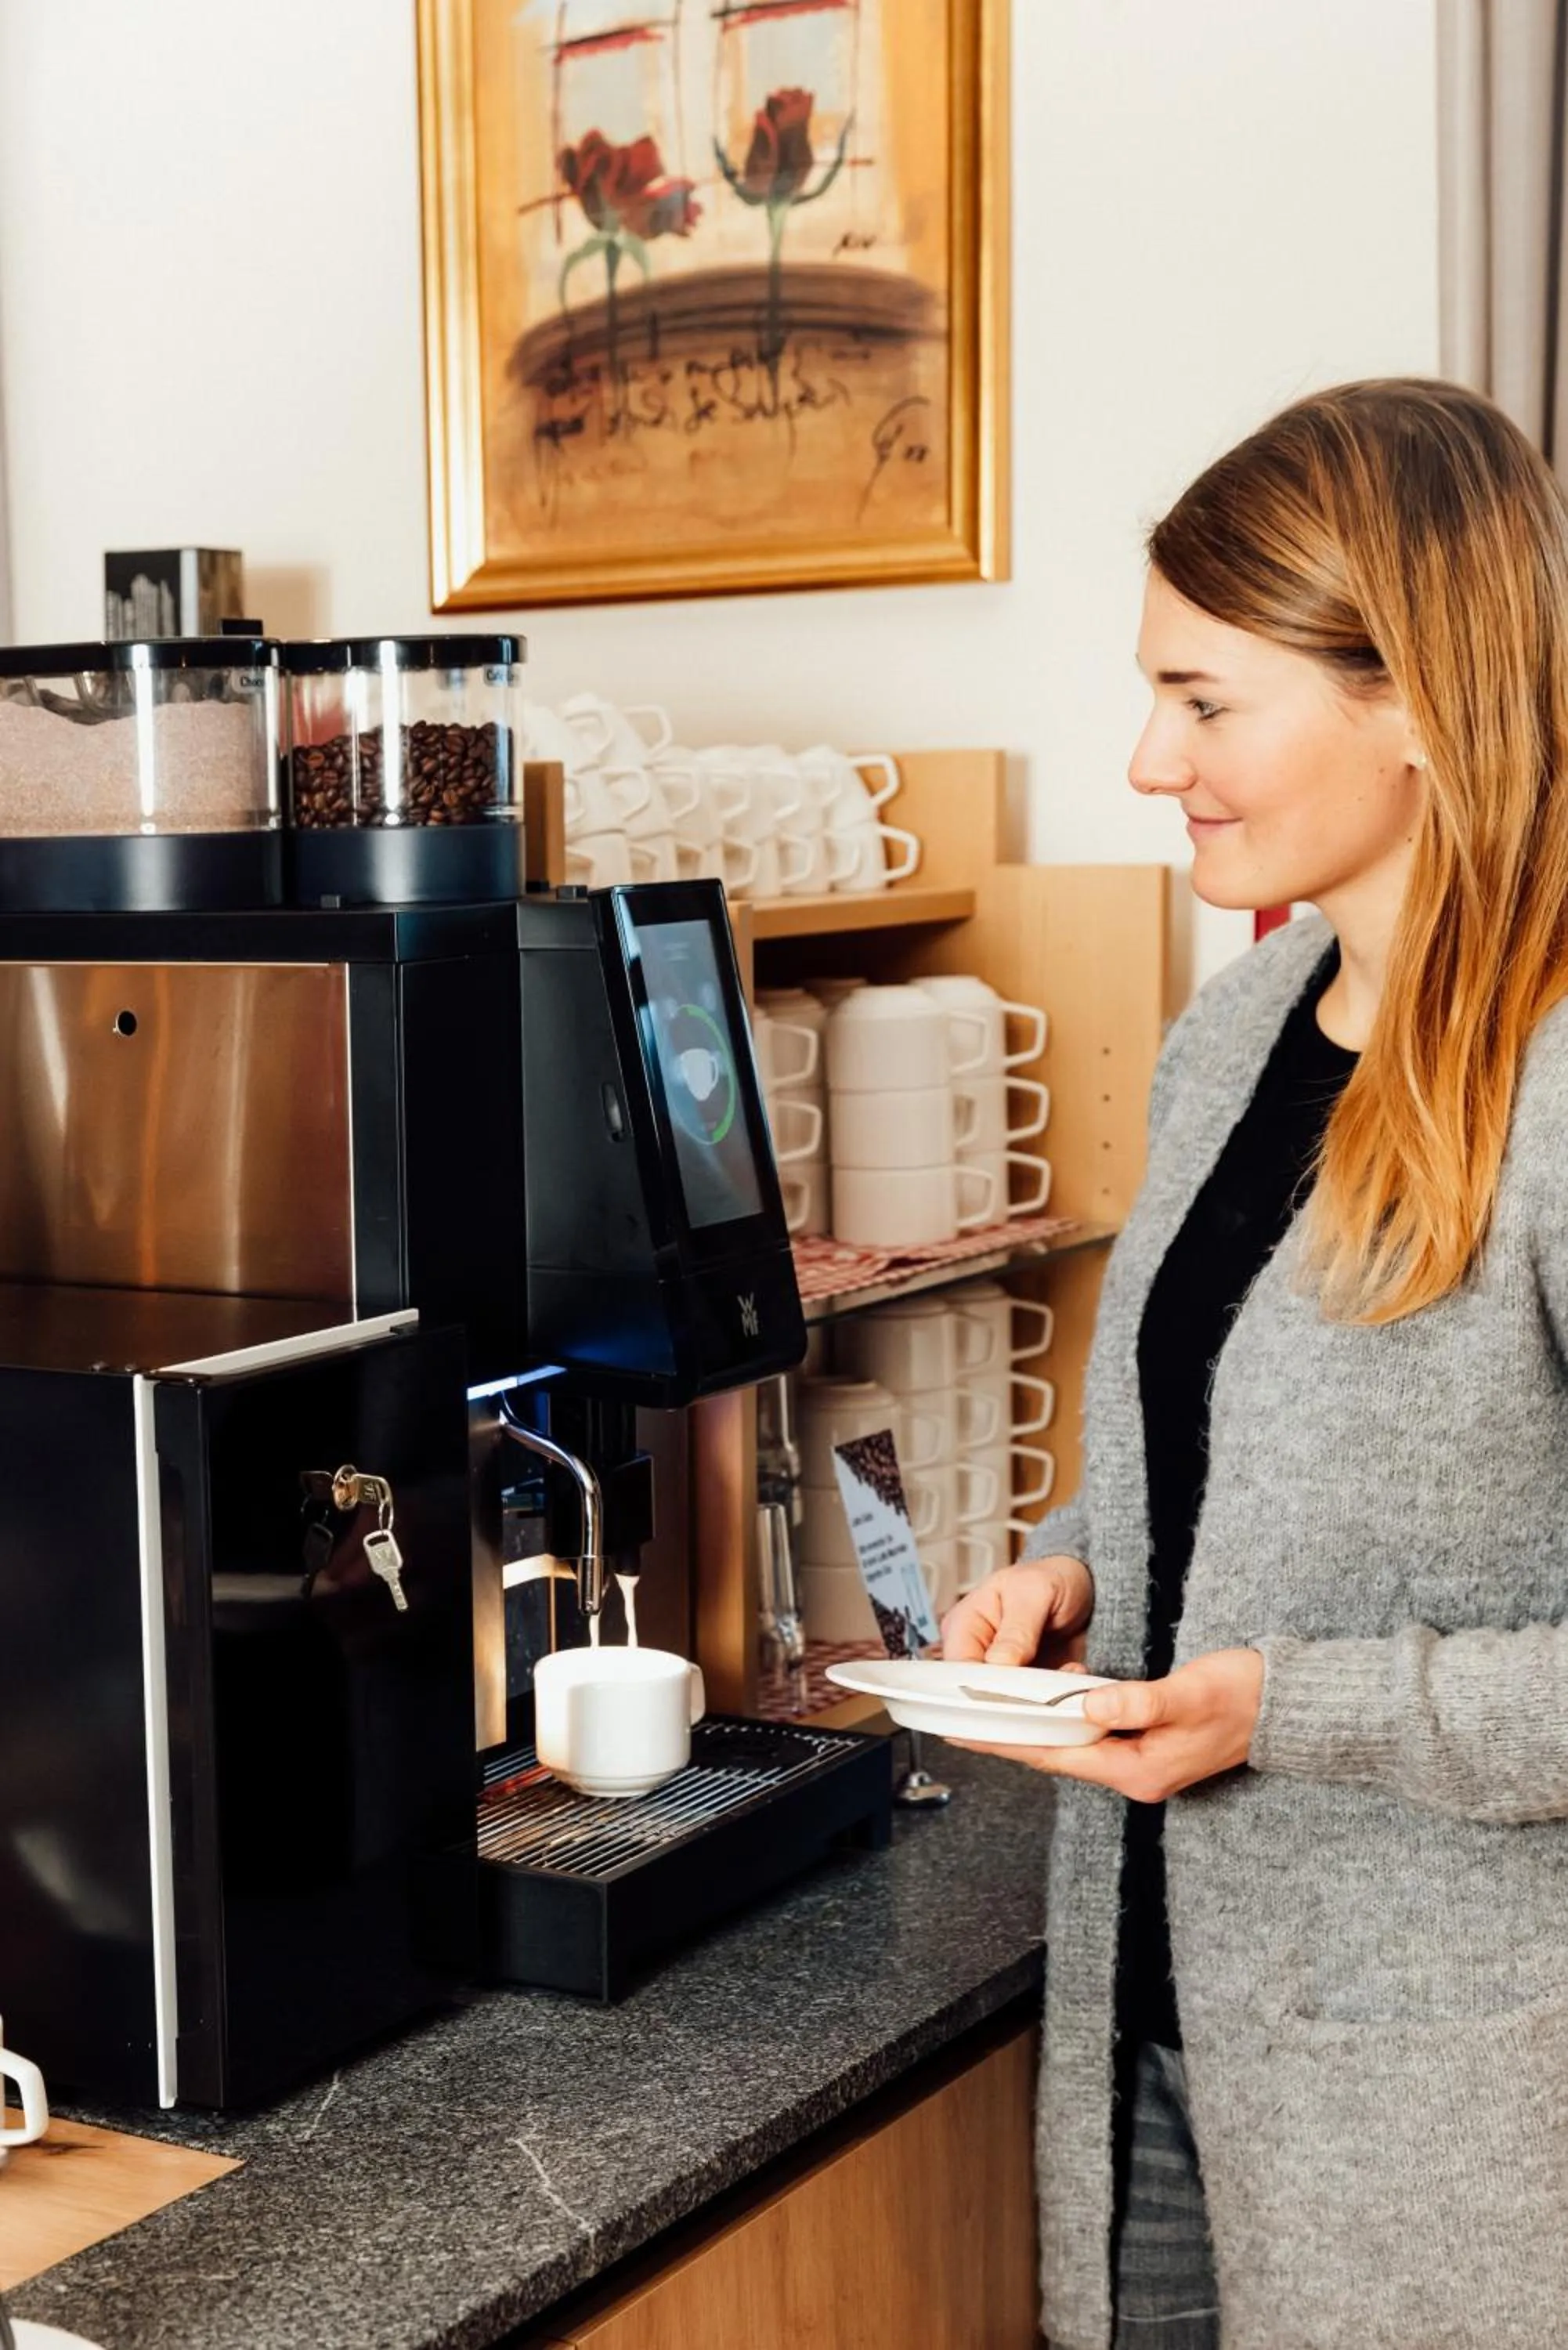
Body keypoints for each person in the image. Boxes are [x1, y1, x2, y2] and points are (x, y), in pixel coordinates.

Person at [945, 378, 1568, 2350]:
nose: (1150, 761)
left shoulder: (1555, 1088)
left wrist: (1288, 1709)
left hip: (1445, 2112)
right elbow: (1202, 1445)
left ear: (1416, 700)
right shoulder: (1234, 1032)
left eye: (1203, 703)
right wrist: (1076, 1569)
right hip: (1146, 2014)